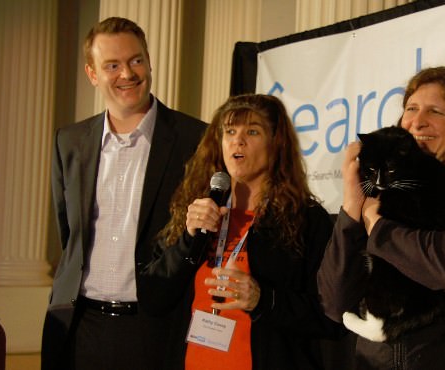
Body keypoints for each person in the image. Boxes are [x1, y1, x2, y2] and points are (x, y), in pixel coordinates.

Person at [317, 66, 445, 369]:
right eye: (411, 108)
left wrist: (380, 229)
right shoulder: (380, 195)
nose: (418, 121)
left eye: (436, 111)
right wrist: (352, 205)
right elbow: (334, 303)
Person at [41, 17, 206, 370]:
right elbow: (69, 234)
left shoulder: (196, 139)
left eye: (135, 60)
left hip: (156, 328)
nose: (127, 74)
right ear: (92, 74)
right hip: (78, 326)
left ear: (148, 61)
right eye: (112, 65)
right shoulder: (68, 142)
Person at [139, 94, 344, 370]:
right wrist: (187, 240)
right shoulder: (197, 211)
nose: (238, 140)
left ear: (276, 143)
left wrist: (264, 300)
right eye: (230, 131)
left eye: (252, 131)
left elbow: (330, 316)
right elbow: (153, 299)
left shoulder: (305, 220)